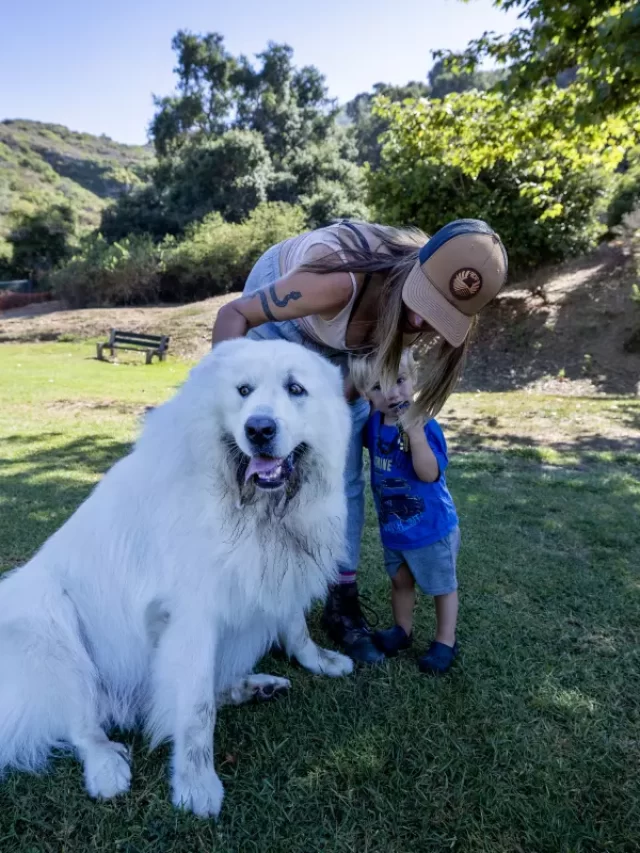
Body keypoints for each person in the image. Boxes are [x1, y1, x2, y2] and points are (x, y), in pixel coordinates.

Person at [212, 218, 508, 663]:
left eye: (440, 316)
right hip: (281, 327)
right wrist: (227, 407)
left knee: (341, 472)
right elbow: (233, 314)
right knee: (258, 466)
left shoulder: (408, 316)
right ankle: (256, 592)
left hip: (351, 349)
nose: (421, 320)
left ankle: (340, 596)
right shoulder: (337, 282)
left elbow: (359, 387)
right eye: (424, 299)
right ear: (413, 268)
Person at [351, 349, 460, 674]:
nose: (391, 393)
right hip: (394, 528)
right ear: (364, 394)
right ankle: (403, 630)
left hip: (431, 528)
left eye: (398, 380)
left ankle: (445, 641)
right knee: (400, 581)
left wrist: (414, 434)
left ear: (413, 377)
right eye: (377, 387)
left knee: (441, 584)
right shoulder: (373, 423)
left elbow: (429, 474)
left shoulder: (425, 425)